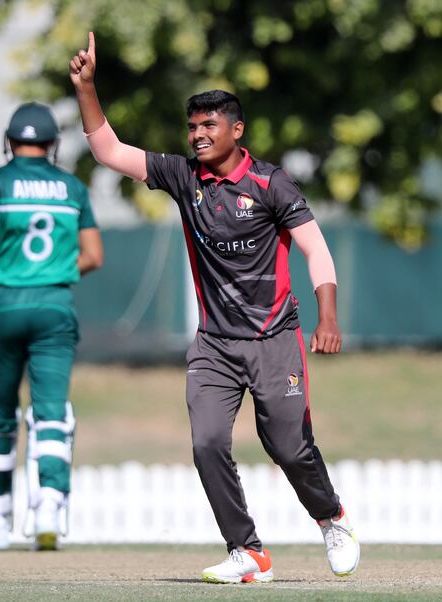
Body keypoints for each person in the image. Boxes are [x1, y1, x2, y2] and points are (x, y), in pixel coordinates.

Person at [69, 33, 359, 583]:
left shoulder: (271, 183)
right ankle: (247, 552)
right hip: (215, 345)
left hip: (276, 339)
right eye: (193, 127)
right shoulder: (183, 178)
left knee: (289, 448)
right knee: (206, 443)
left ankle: (332, 517)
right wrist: (87, 87)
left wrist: (328, 316)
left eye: (209, 126)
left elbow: (315, 248)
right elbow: (109, 150)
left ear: (236, 130)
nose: (198, 135)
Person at [0, 101, 103, 551]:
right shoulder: (71, 188)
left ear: (9, 141)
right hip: (53, 308)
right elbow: (92, 257)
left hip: (0, 307)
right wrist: (54, 273)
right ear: (52, 145)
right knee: (51, 411)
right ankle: (48, 503)